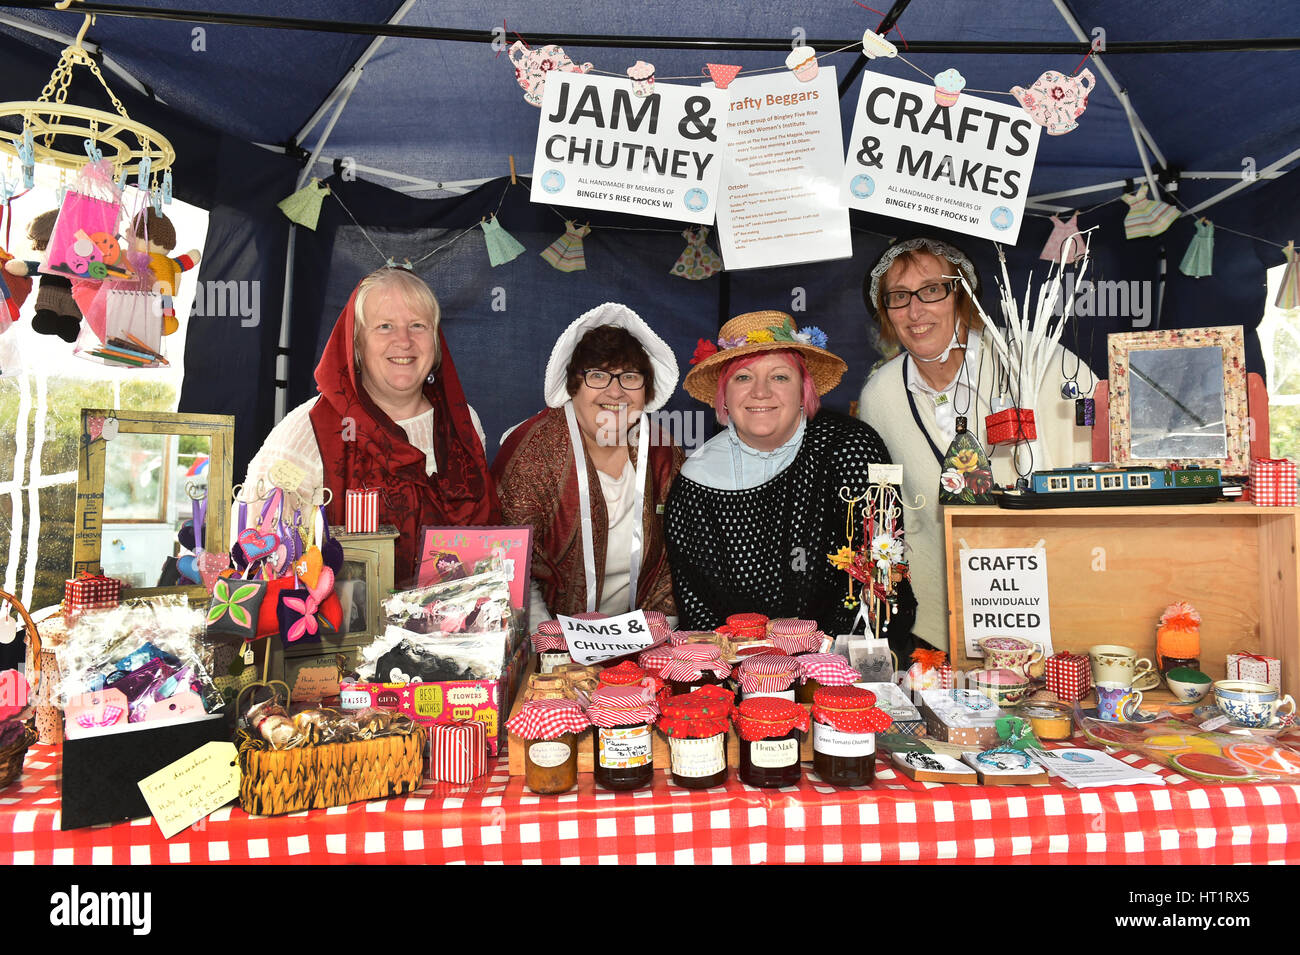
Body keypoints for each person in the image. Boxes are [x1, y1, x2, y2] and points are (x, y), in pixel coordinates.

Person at [858, 236, 1092, 652]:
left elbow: (1102, 464)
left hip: (1048, 602)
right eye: (898, 297)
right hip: (937, 619)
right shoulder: (882, 394)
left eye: (931, 290)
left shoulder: (1040, 364)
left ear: (962, 293)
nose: (915, 312)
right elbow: (884, 509)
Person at [665, 310, 916, 642]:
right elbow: (696, 605)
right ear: (724, 395)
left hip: (843, 659)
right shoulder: (695, 480)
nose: (760, 392)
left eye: (779, 377)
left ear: (804, 390)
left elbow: (879, 575)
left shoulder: (849, 447)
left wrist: (819, 662)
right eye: (743, 377)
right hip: (736, 665)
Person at [242, 267, 499, 585]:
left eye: (418, 325)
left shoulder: (464, 423)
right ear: (357, 346)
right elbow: (259, 553)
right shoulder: (305, 433)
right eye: (385, 326)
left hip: (454, 628)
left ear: (435, 342)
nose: (403, 341)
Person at [493, 303, 684, 625]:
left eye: (630, 377)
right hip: (549, 641)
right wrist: (550, 647)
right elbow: (509, 566)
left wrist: (657, 635)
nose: (615, 391)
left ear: (646, 389)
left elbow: (676, 559)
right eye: (597, 375)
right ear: (573, 385)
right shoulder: (532, 453)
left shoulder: (663, 453)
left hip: (645, 638)